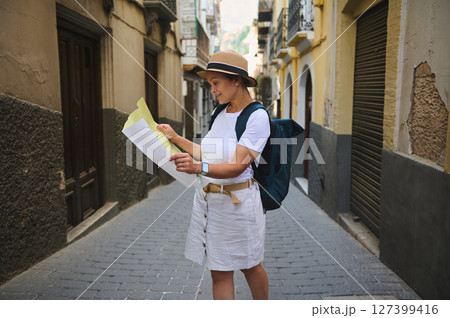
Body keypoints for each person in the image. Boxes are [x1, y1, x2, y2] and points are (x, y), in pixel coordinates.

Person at [157, 50, 270, 300]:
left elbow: (238, 165)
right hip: (213, 205)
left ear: (237, 80)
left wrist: (199, 168)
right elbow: (207, 152)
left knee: (250, 266)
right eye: (210, 84)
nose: (212, 90)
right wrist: (174, 138)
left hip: (240, 206)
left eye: (216, 83)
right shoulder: (219, 113)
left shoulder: (257, 116)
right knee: (218, 271)